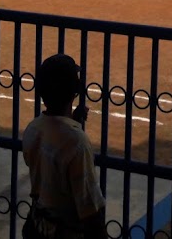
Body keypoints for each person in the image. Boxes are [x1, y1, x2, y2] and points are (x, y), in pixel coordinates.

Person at [22, 54, 108, 239]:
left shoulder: (33, 129)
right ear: (74, 92)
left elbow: (52, 150)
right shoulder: (76, 143)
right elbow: (90, 211)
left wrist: (70, 121)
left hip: (39, 228)